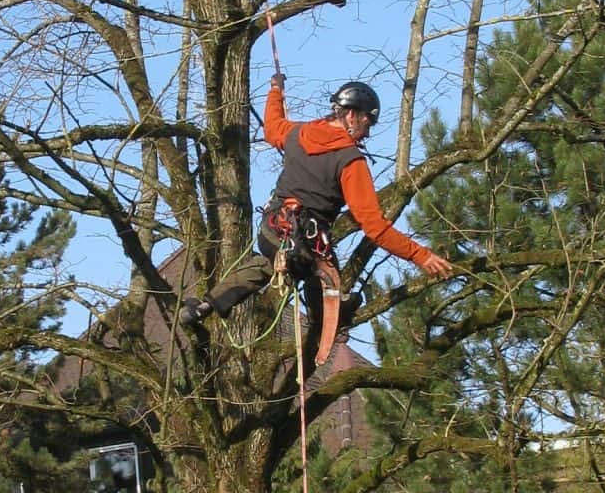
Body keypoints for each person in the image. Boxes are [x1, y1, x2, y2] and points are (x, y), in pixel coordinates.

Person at [180, 73, 453, 361]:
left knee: (266, 266)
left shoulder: (299, 134)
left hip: (271, 231)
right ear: (351, 115)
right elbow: (375, 228)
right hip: (306, 243)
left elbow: (272, 127)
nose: (368, 132)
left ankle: (206, 305)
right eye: (366, 123)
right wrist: (420, 256)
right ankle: (324, 320)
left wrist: (276, 91)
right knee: (320, 273)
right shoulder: (350, 160)